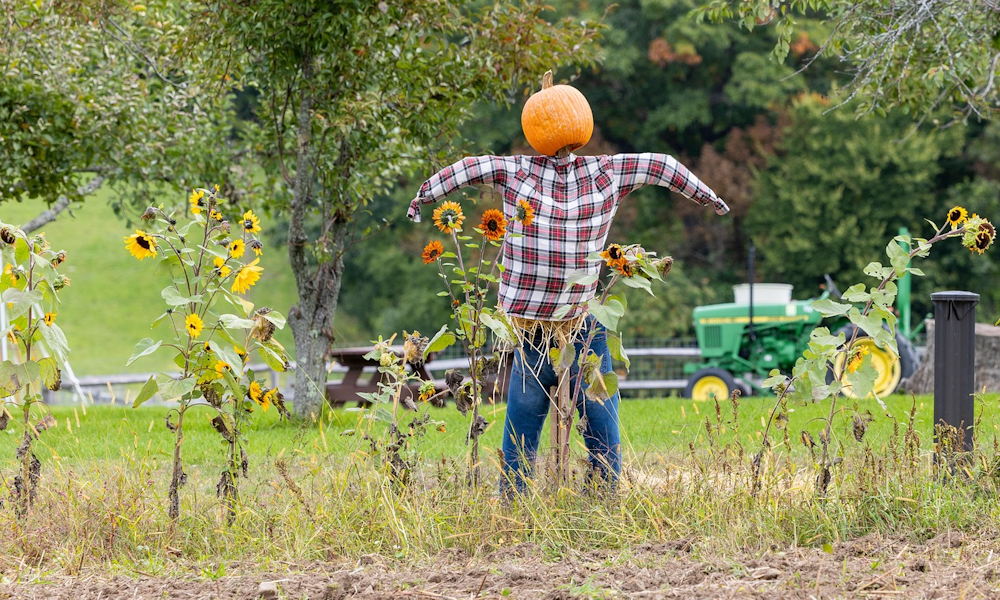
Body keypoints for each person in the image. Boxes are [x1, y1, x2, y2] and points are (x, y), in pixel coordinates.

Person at [407, 77, 728, 493]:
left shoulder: (530, 172)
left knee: (566, 411)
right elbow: (661, 164)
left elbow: (470, 167)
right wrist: (708, 199)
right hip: (541, 327)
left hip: (569, 323)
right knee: (570, 409)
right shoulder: (598, 172)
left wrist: (423, 197)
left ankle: (558, 494)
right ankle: (564, 493)